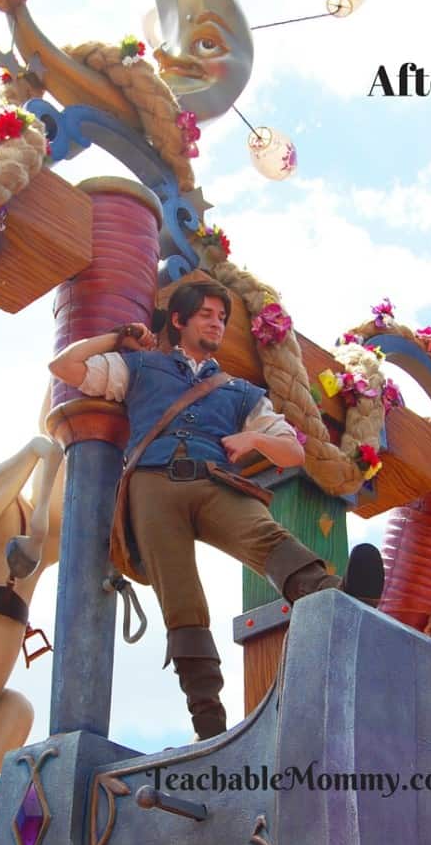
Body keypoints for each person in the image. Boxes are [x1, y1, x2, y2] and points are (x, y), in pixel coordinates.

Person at [49, 280, 383, 740]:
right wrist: (120, 337)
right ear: (180, 321)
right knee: (183, 603)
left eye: (221, 317)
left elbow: (293, 452)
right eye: (206, 314)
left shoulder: (240, 392)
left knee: (263, 535)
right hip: (152, 487)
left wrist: (254, 439)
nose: (216, 323)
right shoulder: (141, 367)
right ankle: (208, 722)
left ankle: (342, 603)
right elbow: (65, 365)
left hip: (213, 482)